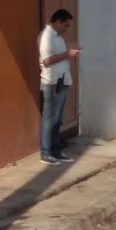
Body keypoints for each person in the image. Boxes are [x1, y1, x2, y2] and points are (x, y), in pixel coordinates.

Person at [38, 9, 82, 165]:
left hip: (62, 80)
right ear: (57, 21)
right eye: (65, 25)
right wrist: (66, 54)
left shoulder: (58, 37)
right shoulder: (46, 37)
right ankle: (46, 152)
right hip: (52, 82)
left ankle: (56, 151)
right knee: (49, 118)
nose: (66, 29)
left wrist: (69, 54)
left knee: (57, 119)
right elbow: (46, 61)